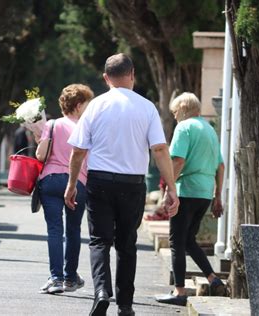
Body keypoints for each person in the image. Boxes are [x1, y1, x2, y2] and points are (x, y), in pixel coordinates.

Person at [64, 53, 179, 316]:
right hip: (133, 184)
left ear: (106, 78)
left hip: (100, 181)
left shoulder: (95, 106)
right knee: (127, 244)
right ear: (133, 74)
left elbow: (78, 150)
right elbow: (160, 149)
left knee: (99, 241)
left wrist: (71, 184)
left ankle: (102, 292)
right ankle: (125, 305)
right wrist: (171, 188)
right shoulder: (147, 107)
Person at [155, 92, 225, 306]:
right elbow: (220, 165)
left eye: (175, 112)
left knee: (177, 240)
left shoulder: (184, 128)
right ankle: (213, 278)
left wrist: (169, 188)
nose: (175, 117)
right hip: (204, 193)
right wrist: (218, 195)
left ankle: (179, 292)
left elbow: (177, 161)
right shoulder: (210, 130)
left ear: (183, 109)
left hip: (185, 190)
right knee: (188, 240)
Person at [35, 84, 94, 294]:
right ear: (78, 106)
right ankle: (70, 277)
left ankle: (56, 278)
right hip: (77, 181)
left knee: (54, 230)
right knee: (73, 230)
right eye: (87, 104)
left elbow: (40, 155)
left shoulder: (52, 125)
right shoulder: (87, 127)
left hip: (50, 180)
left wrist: (38, 137)